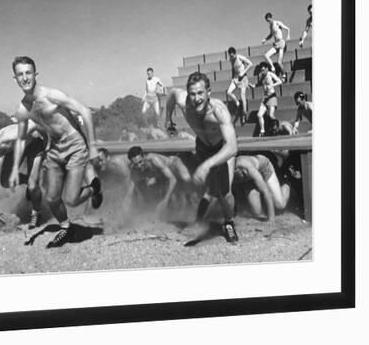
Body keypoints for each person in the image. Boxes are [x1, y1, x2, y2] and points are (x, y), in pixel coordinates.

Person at [10, 56, 102, 248]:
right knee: (51, 198)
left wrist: (92, 146)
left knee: (71, 199)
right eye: (20, 74)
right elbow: (19, 139)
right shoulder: (23, 108)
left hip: (75, 144)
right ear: (15, 78)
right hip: (54, 147)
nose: (25, 78)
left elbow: (85, 111)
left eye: (28, 73)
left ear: (36, 74)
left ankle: (94, 187)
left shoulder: (52, 95)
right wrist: (13, 170)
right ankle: (66, 228)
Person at [166, 72, 239, 243]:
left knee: (224, 192)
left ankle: (228, 223)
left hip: (223, 148)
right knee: (208, 187)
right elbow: (171, 94)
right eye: (193, 94)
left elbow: (232, 147)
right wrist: (168, 119)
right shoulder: (184, 102)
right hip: (203, 146)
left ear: (209, 92)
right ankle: (201, 217)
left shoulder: (219, 111)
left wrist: (206, 166)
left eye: (200, 93)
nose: (196, 98)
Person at [0, 126, 46, 229]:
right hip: (14, 150)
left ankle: (36, 213)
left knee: (32, 186)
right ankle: (29, 182)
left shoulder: (8, 138)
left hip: (34, 145)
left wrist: (47, 141)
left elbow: (33, 123)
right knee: (5, 182)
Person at [124, 146, 194, 219]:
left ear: (144, 157)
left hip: (174, 165)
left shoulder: (154, 160)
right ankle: (165, 213)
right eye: (135, 164)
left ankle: (193, 206)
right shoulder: (134, 170)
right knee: (149, 187)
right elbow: (129, 192)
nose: (139, 166)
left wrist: (165, 201)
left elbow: (173, 179)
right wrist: (124, 206)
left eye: (140, 161)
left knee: (186, 179)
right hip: (163, 175)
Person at [233, 154, 289, 221]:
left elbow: (266, 191)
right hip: (249, 179)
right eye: (241, 172)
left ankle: (287, 182)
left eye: (243, 171)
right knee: (256, 213)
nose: (244, 172)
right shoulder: (228, 173)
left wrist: (271, 219)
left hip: (264, 168)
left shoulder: (249, 168)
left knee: (280, 205)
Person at [226, 47, 254, 125]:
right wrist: (232, 78)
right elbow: (232, 68)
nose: (232, 57)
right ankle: (237, 103)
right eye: (230, 56)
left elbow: (250, 64)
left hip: (243, 78)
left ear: (235, 54)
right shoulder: (231, 60)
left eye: (233, 55)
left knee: (242, 96)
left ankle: (244, 114)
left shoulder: (240, 57)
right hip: (235, 78)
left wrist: (244, 72)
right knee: (228, 92)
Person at [261, 12, 291, 81]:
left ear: (271, 18)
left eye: (269, 20)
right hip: (276, 44)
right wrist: (265, 39)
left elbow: (287, 28)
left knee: (279, 62)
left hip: (281, 43)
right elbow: (271, 35)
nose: (269, 22)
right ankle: (273, 68)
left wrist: (288, 36)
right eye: (267, 21)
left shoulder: (277, 23)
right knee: (266, 55)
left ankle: (284, 75)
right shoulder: (270, 27)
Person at [257, 62, 283, 137]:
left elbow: (280, 81)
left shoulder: (270, 74)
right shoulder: (260, 76)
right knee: (259, 115)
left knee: (271, 115)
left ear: (267, 69)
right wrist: (254, 86)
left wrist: (272, 85)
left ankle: (278, 128)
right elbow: (259, 84)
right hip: (265, 97)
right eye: (261, 70)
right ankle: (262, 131)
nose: (262, 72)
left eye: (264, 70)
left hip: (271, 96)